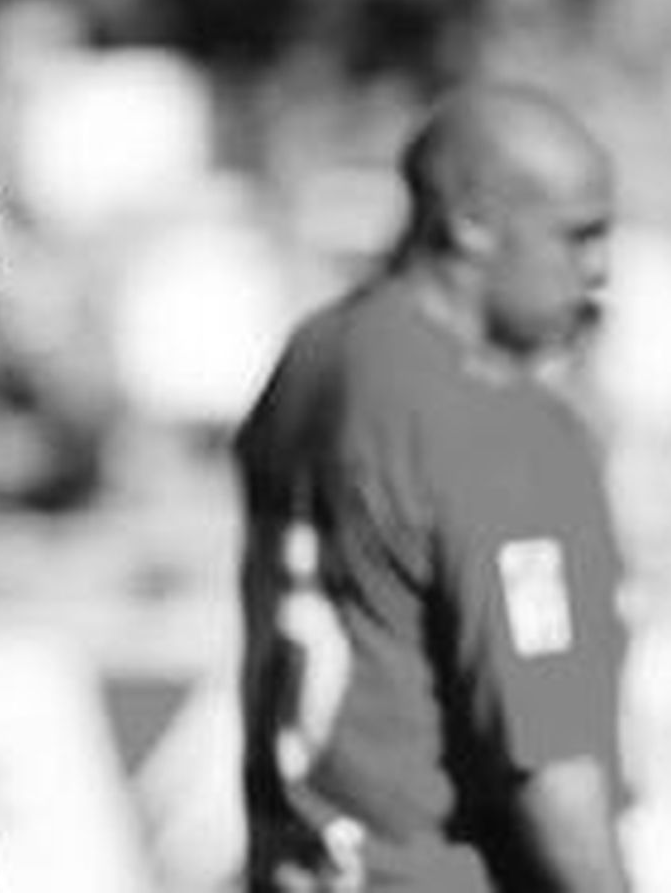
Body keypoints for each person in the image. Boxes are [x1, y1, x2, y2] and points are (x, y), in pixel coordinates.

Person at [235, 83, 630, 893]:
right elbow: (552, 775)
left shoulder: (316, 352)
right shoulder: (500, 427)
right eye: (578, 235)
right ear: (473, 221)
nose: (598, 271)